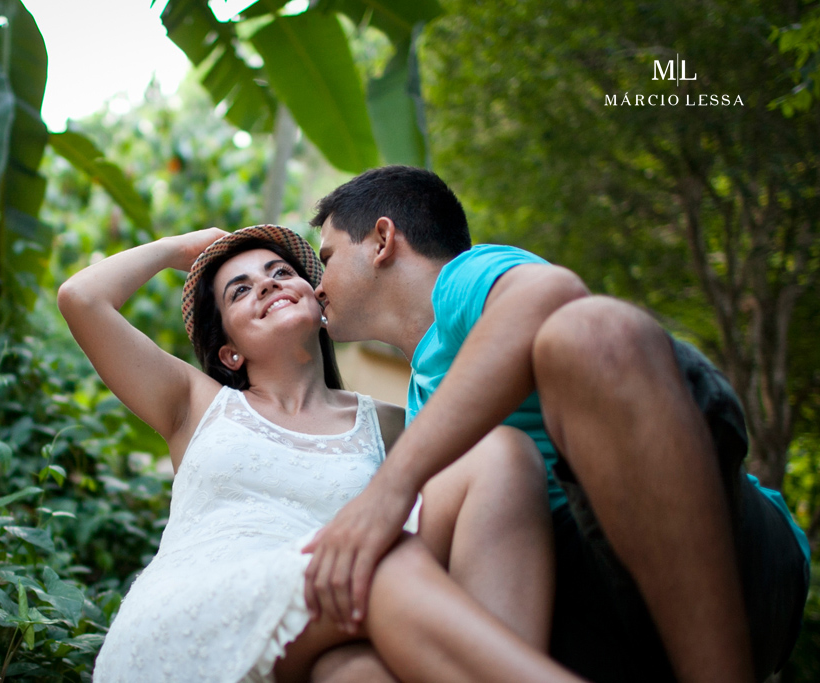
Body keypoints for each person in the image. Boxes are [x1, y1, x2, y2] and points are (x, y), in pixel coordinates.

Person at [302, 165, 811, 683]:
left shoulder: (463, 278)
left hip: (717, 556)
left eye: (328, 257)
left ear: (383, 240)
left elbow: (552, 293)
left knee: (588, 330)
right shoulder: (417, 400)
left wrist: (392, 488)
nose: (317, 286)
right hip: (578, 606)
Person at [57, 225, 581, 683]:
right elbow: (82, 299)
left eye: (281, 272)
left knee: (500, 452)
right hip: (194, 615)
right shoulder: (194, 405)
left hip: (329, 628)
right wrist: (187, 249)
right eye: (240, 291)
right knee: (381, 563)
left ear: (318, 300)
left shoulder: (391, 424)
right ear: (229, 353)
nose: (267, 284)